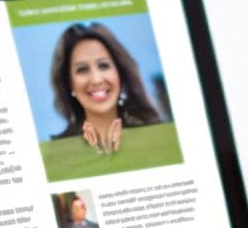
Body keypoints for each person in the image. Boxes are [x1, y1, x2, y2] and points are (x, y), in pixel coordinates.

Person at [48, 23, 163, 155]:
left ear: (120, 74)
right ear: (69, 85)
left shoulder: (156, 138)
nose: (97, 79)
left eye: (103, 66)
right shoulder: (58, 155)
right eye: (82, 69)